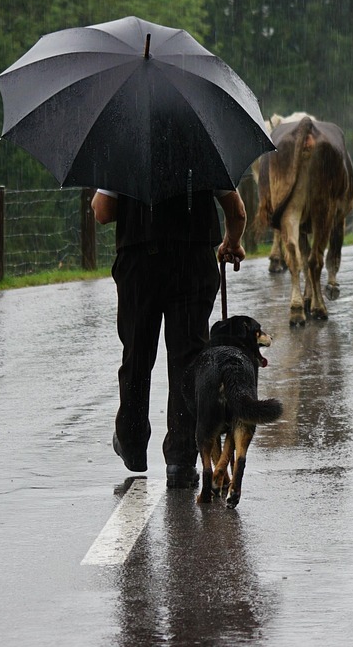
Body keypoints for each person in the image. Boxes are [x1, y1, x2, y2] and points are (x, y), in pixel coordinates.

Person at [91, 187, 247, 488]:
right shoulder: (204, 142)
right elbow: (237, 211)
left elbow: (102, 211)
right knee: (187, 361)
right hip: (192, 262)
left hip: (138, 262)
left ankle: (132, 441)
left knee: (137, 354)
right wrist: (232, 242)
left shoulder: (125, 145)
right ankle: (181, 461)